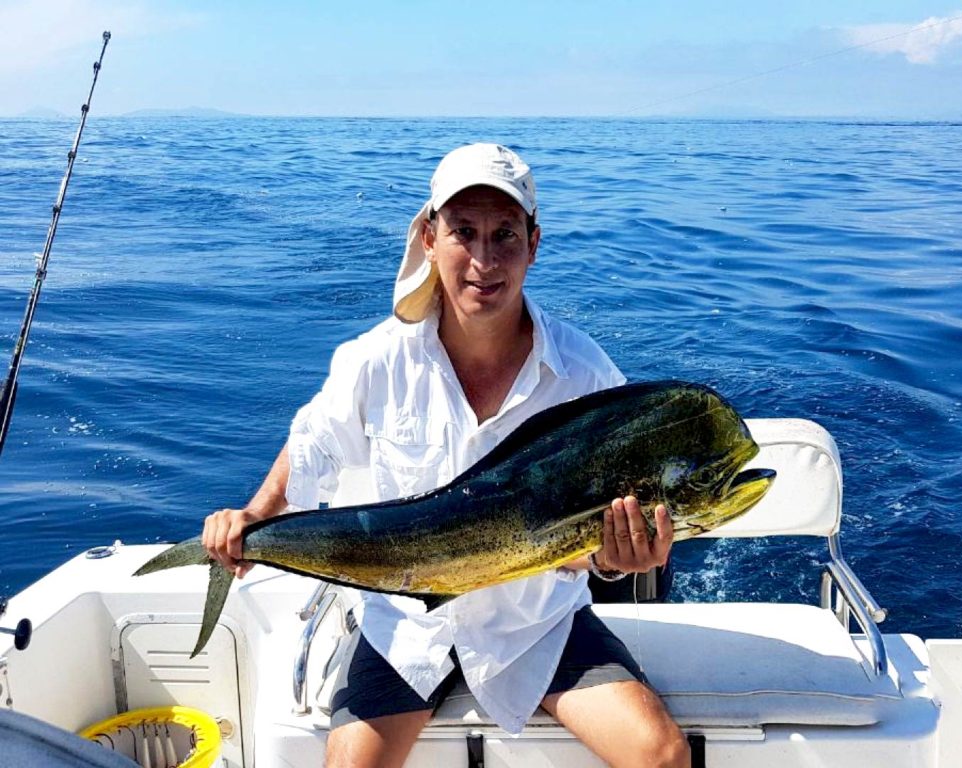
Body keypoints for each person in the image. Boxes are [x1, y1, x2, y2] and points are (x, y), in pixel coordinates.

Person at [202, 143, 691, 768]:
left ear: (534, 244)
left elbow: (596, 544)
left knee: (662, 757)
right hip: (406, 624)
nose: (484, 261)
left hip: (533, 624)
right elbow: (313, 442)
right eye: (465, 232)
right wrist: (253, 517)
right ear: (429, 238)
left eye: (505, 235)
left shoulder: (588, 378)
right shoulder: (378, 358)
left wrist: (621, 561)